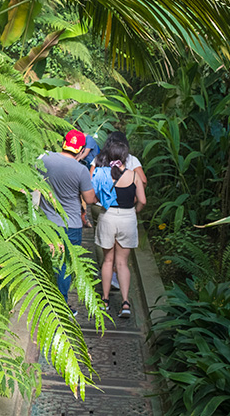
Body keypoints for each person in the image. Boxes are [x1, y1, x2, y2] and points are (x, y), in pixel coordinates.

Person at [38, 130, 97, 313]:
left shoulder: (44, 158)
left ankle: (47, 302)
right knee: (64, 266)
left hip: (46, 222)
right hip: (70, 225)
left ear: (64, 143)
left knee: (48, 262)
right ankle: (61, 306)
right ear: (80, 150)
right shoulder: (80, 170)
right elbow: (89, 199)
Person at [93, 137, 146, 318]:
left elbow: (92, 197)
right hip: (128, 218)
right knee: (122, 263)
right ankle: (125, 303)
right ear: (124, 157)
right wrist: (134, 212)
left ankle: (105, 300)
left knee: (108, 260)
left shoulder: (101, 173)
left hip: (107, 217)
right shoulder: (134, 175)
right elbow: (143, 201)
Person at [102, 131, 147, 290]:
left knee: (108, 251)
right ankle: (121, 290)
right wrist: (133, 198)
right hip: (127, 211)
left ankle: (107, 290)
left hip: (106, 210)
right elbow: (143, 180)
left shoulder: (102, 159)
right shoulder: (132, 160)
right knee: (122, 255)